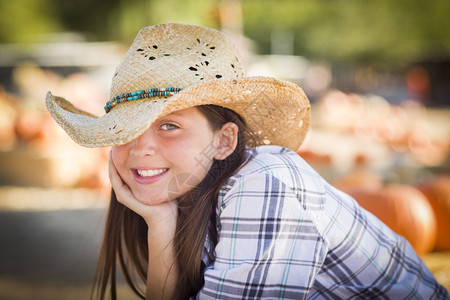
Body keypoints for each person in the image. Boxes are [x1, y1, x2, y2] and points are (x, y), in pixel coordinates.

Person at [46, 23, 449, 300]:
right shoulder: (187, 197)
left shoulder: (265, 182)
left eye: (168, 126)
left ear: (224, 141)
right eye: (126, 130)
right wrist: (161, 223)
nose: (140, 148)